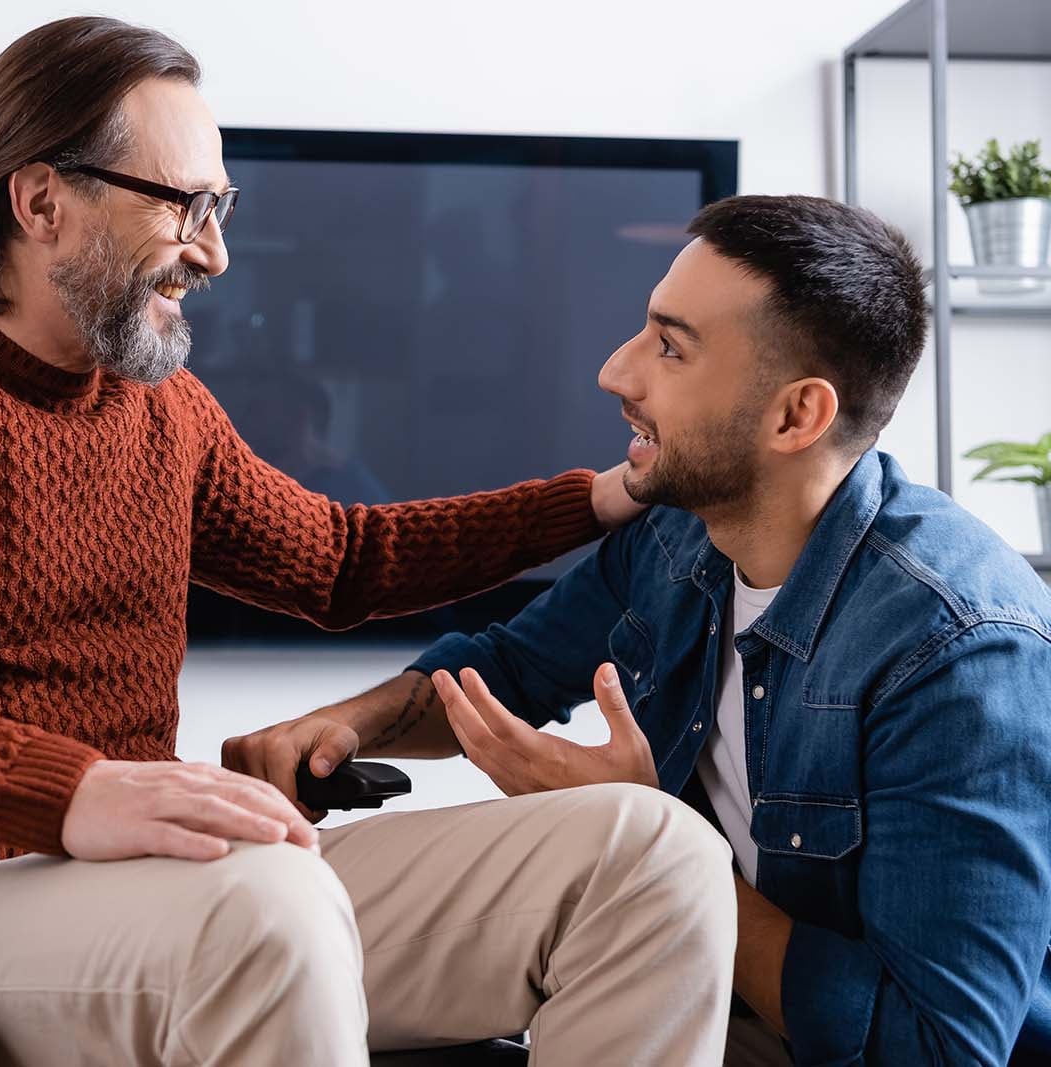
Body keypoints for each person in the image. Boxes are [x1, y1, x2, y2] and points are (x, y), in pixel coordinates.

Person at [0, 15, 739, 1066]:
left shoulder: (162, 413)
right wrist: (72, 789)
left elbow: (342, 560)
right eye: (186, 205)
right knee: (266, 900)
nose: (216, 252)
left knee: (650, 854)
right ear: (41, 200)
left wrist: (602, 496)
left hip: (181, 882)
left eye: (220, 207)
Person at [229, 194, 1051, 1065]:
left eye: (670, 346)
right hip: (678, 992)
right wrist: (342, 727)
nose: (617, 373)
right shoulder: (677, 533)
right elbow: (506, 666)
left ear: (796, 416)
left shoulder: (959, 652)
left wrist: (651, 837)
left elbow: (939, 1049)